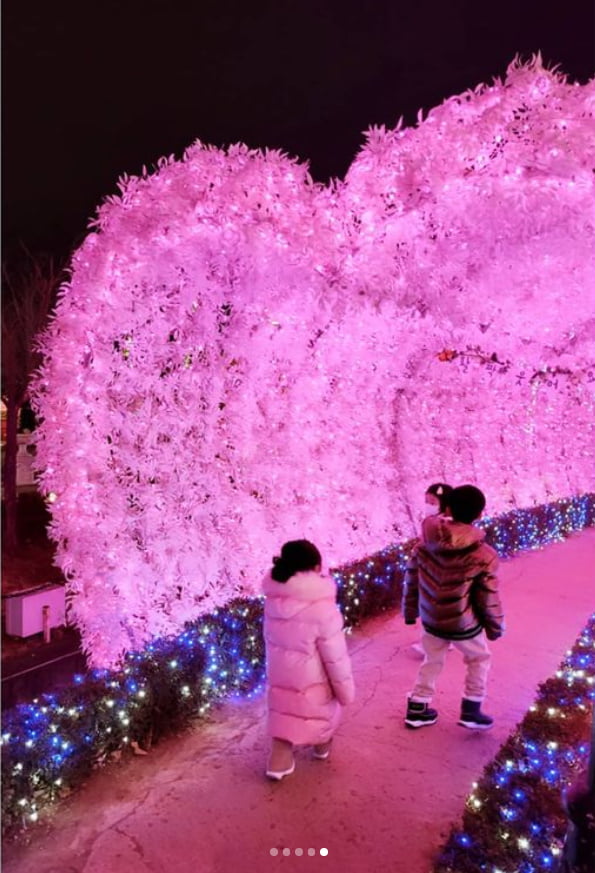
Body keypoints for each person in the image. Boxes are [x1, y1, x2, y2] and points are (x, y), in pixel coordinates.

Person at [402, 484, 504, 730]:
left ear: (447, 508)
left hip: (432, 619)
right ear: (480, 514)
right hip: (463, 622)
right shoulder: (484, 555)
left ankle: (417, 707)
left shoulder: (423, 545)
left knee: (432, 659)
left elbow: (411, 579)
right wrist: (494, 625)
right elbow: (487, 596)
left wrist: (409, 611)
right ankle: (471, 709)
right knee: (479, 658)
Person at [262, 539, 355, 781]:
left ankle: (278, 762)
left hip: (281, 673)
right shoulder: (322, 608)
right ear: (316, 567)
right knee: (320, 710)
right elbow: (336, 658)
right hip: (313, 677)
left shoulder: (273, 599)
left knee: (284, 711)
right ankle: (321, 746)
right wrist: (345, 692)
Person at [410, 482, 454, 657]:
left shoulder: (446, 523)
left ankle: (432, 645)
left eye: (433, 501)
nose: (428, 504)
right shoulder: (432, 521)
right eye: (427, 500)